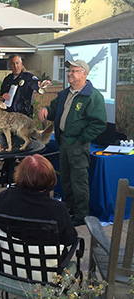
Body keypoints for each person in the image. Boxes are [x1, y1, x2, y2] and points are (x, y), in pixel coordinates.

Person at [39, 59, 107, 226]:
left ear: (84, 74)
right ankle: (69, 208)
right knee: (66, 179)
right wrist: (47, 110)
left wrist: (82, 138)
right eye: (69, 70)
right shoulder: (65, 93)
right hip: (63, 142)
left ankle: (81, 215)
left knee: (79, 181)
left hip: (78, 144)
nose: (69, 73)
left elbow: (99, 123)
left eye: (74, 71)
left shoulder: (92, 96)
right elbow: (54, 110)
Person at [0, 154, 77, 245]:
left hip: (6, 256)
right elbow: (69, 240)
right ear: (50, 177)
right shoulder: (58, 209)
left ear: (20, 174)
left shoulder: (5, 197)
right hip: (43, 258)